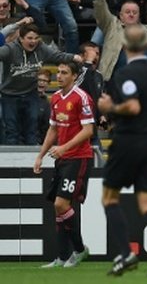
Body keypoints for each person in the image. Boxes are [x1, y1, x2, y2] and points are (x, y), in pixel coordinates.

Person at [97, 25, 147, 276]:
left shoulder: (125, 74)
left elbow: (131, 107)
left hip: (127, 141)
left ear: (124, 46)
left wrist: (111, 106)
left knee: (110, 197)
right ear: (146, 46)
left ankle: (126, 253)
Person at [34, 61, 93, 269]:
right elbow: (53, 130)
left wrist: (63, 147)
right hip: (62, 158)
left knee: (61, 204)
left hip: (79, 157)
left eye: (64, 72)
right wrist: (41, 155)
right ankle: (61, 256)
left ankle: (79, 250)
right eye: (58, 72)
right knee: (58, 208)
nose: (58, 76)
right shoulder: (56, 98)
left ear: (74, 76)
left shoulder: (82, 97)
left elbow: (88, 131)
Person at [0, 24, 80, 145]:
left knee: (32, 129)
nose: (33, 41)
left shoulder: (41, 48)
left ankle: (32, 161)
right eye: (30, 38)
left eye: (36, 38)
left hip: (30, 94)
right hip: (9, 95)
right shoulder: (10, 49)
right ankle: (13, 162)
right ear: (21, 39)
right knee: (12, 130)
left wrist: (73, 57)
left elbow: (57, 56)